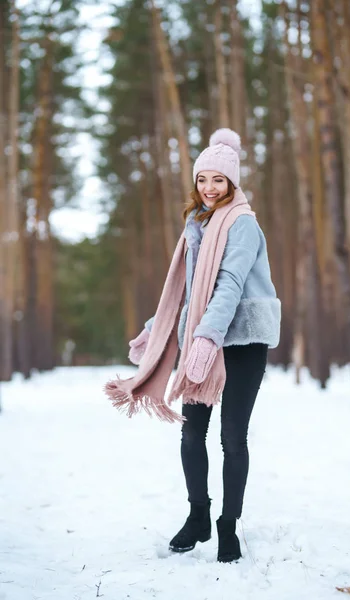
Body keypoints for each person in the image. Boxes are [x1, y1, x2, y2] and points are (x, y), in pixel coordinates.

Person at [105, 128, 281, 563]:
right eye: (202, 179)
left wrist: (205, 337)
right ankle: (198, 516)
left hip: (241, 340)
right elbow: (187, 292)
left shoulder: (242, 224)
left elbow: (228, 285)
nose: (208, 188)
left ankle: (227, 527)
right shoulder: (197, 224)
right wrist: (158, 329)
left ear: (232, 183)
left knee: (232, 438)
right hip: (203, 335)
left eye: (218, 180)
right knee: (191, 433)